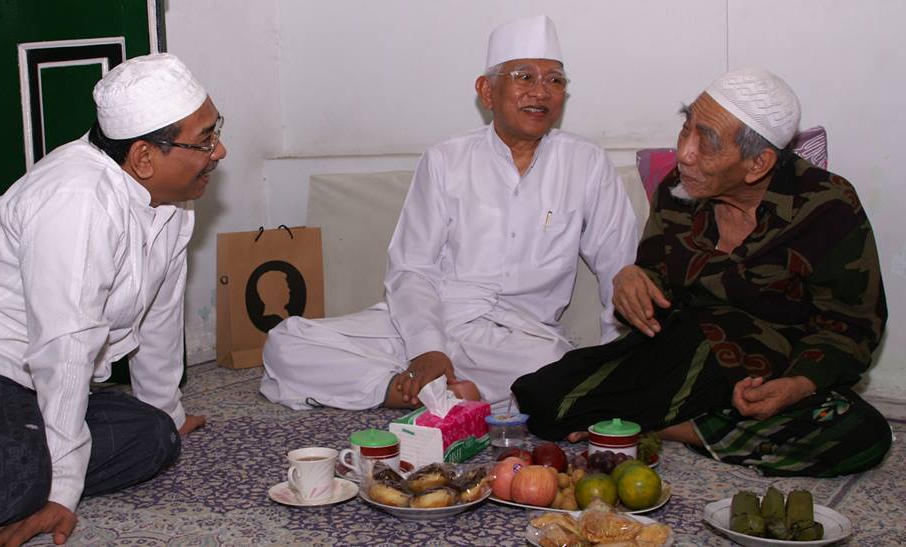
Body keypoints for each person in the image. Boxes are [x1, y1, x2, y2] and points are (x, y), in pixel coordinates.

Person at [512, 67, 891, 477]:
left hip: (780, 364)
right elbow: (656, 279)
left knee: (862, 434)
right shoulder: (679, 191)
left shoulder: (826, 208)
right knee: (544, 400)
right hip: (688, 356)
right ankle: (699, 425)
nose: (684, 154)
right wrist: (630, 282)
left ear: (758, 163)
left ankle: (671, 426)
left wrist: (796, 385)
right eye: (685, 128)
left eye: (705, 141)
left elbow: (852, 328)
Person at [260, 14, 638, 412]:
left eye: (555, 80)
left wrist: (616, 362)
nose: (541, 92)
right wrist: (427, 348)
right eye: (524, 77)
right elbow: (411, 268)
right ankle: (412, 389)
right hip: (430, 319)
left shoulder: (586, 163)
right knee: (288, 342)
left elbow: (621, 268)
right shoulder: (446, 159)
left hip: (517, 341)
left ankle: (431, 393)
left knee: (557, 371)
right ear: (487, 92)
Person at [0, 53, 226, 546]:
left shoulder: (173, 202)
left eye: (215, 130)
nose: (219, 150)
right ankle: (12, 479)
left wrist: (168, 411)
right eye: (204, 139)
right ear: (143, 157)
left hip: (28, 387)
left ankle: (13, 473)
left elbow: (159, 316)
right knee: (11, 471)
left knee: (153, 437)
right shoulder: (76, 198)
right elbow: (65, 346)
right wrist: (62, 491)